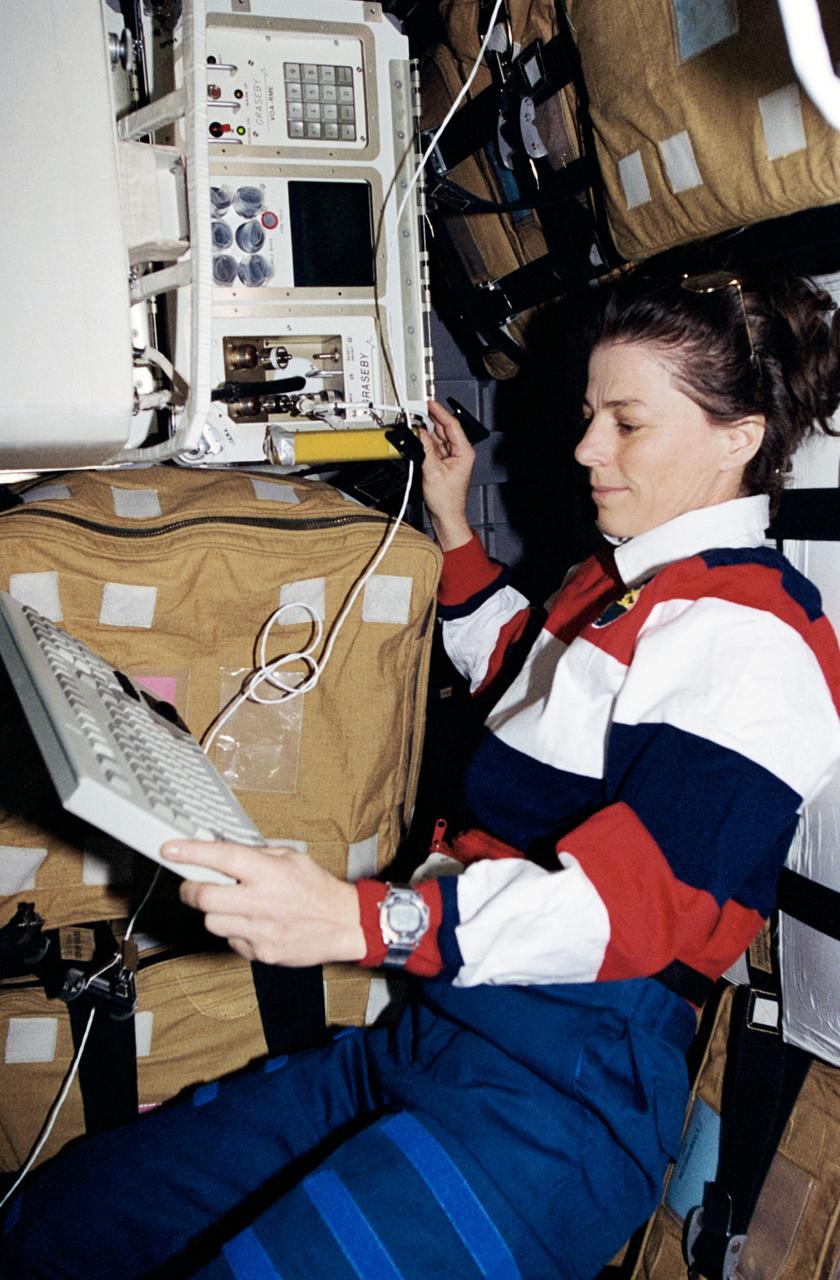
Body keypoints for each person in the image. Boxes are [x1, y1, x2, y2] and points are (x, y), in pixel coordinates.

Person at [4, 267, 840, 1280]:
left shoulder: (760, 637)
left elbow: (642, 900)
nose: (585, 448)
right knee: (74, 1222)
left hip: (557, 1096)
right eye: (589, 415)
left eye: (626, 422)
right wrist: (452, 524)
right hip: (438, 1031)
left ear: (739, 435)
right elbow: (529, 687)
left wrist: (370, 920)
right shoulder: (626, 583)